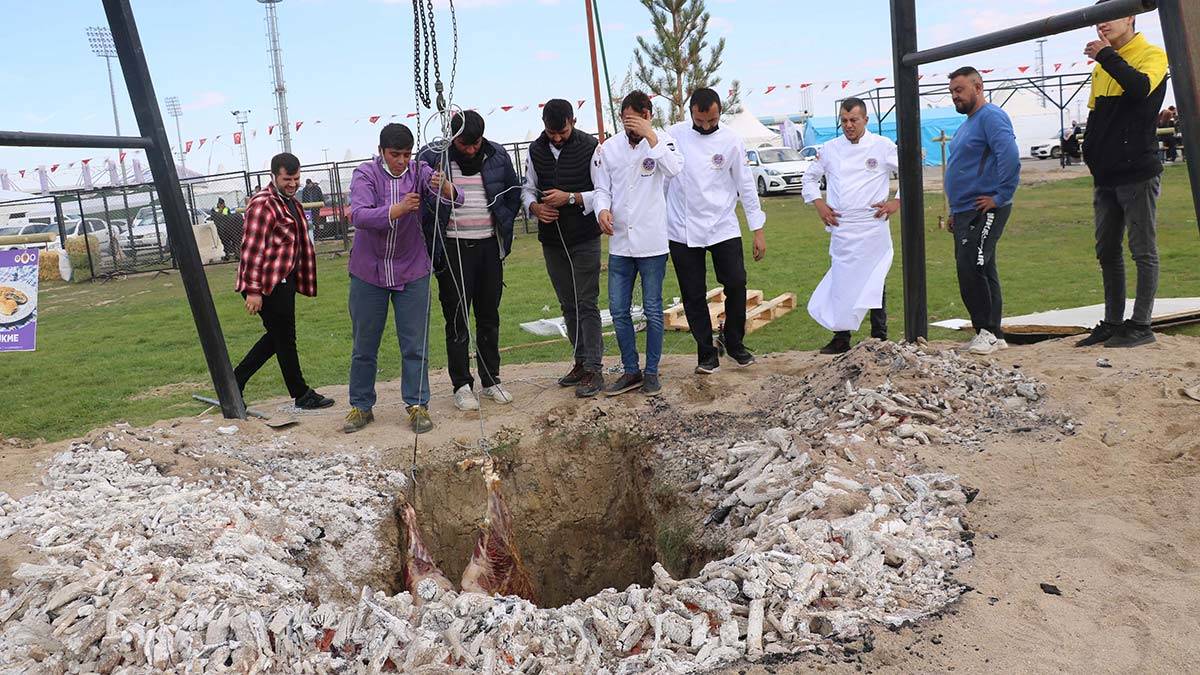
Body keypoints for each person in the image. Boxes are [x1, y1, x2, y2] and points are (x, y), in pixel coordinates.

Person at [343, 123, 460, 434]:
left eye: (407, 154)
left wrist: (445, 187)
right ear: (381, 151)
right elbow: (360, 215)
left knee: (415, 343)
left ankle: (417, 404)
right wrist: (398, 209)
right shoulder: (365, 174)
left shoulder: (419, 171)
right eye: (395, 154)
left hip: (412, 269)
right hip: (369, 271)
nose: (401, 161)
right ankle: (361, 405)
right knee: (364, 344)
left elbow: (456, 199)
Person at [1075, 10, 1168, 349]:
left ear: (1130, 17)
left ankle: (1141, 324)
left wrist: (1106, 55)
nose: (1102, 23)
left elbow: (1140, 88)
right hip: (1106, 174)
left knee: (1142, 250)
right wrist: (1091, 155)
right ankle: (1113, 321)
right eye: (1098, 18)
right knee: (1106, 250)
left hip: (1137, 170)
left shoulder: (1152, 55)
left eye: (1111, 15)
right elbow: (1096, 116)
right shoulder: (1103, 66)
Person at [418, 109, 521, 411]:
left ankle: (491, 380)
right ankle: (462, 385)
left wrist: (503, 220)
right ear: (453, 138)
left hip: (489, 246)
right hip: (453, 248)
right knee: (456, 318)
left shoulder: (497, 155)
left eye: (476, 143)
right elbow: (423, 199)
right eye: (465, 144)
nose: (472, 149)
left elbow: (513, 193)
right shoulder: (433, 157)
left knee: (488, 315)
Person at [666, 87, 766, 373]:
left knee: (736, 282)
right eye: (700, 120)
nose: (706, 126)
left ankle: (734, 342)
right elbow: (662, 179)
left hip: (723, 224)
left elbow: (746, 185)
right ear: (691, 113)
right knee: (693, 293)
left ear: (720, 112)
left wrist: (757, 230)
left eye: (712, 120)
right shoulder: (674, 135)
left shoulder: (732, 140)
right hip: (682, 227)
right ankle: (706, 353)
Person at [592, 91, 684, 396]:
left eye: (635, 120)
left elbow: (674, 169)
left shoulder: (664, 141)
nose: (630, 126)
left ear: (648, 115)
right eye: (625, 120)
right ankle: (630, 369)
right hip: (620, 243)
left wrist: (651, 136)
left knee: (653, 309)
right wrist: (602, 210)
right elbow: (602, 189)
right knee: (618, 310)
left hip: (652, 242)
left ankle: (652, 371)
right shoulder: (609, 148)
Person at [233, 152, 334, 411]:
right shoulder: (263, 204)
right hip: (266, 284)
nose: (293, 183)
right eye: (287, 179)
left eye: (296, 178)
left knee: (279, 337)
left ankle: (235, 382)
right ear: (274, 176)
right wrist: (253, 290)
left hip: (283, 281)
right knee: (284, 338)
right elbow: (251, 250)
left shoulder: (290, 203)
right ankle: (299, 393)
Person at [801, 97, 898, 355]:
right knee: (842, 282)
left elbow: (911, 172)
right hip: (843, 226)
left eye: (854, 120)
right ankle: (841, 337)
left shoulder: (882, 146)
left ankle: (879, 335)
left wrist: (896, 202)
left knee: (875, 280)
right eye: (844, 120)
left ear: (866, 119)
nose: (849, 125)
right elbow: (809, 178)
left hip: (873, 224)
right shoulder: (830, 149)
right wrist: (819, 204)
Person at [523, 99, 605, 398]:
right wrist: (534, 208)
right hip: (552, 240)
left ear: (573, 121)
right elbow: (527, 188)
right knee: (568, 304)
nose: (557, 138)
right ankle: (580, 361)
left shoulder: (591, 147)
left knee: (587, 302)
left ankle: (594, 368)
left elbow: (602, 192)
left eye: (563, 131)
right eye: (551, 132)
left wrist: (570, 198)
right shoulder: (535, 150)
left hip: (585, 237)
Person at [943, 67, 1021, 356]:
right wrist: (954, 210)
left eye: (959, 90)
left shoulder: (991, 117)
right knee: (984, 267)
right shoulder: (967, 124)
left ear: (978, 87)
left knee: (971, 267)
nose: (955, 96)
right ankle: (994, 334)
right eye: (952, 91)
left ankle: (985, 332)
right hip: (965, 209)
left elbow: (1009, 156)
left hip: (984, 207)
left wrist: (1000, 196)